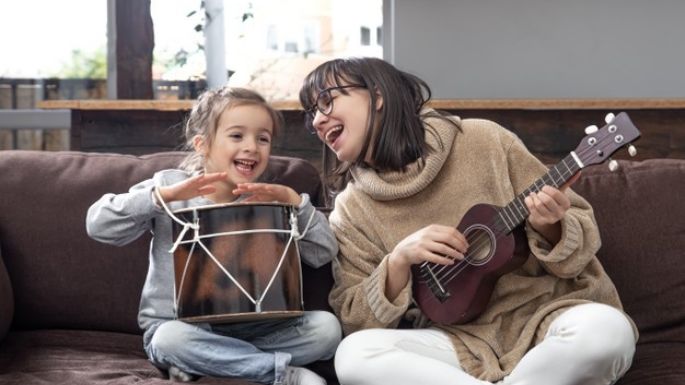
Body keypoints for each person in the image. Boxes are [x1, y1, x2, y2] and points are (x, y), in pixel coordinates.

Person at [298, 57, 637, 385]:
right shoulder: (352, 209)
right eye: (312, 113)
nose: (316, 121)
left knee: (608, 331)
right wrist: (399, 260)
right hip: (457, 343)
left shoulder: (483, 140)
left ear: (377, 95)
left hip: (547, 319)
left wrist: (551, 224)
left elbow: (582, 240)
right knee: (353, 356)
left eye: (327, 101)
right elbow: (354, 320)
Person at [86, 87, 341, 385]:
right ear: (203, 144)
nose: (251, 147)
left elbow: (324, 252)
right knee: (170, 341)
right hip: (182, 328)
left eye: (263, 138)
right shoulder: (170, 188)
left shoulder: (274, 200)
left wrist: (296, 203)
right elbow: (98, 224)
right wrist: (162, 197)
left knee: (327, 330)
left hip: (258, 329)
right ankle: (277, 373)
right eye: (237, 136)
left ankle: (218, 361)